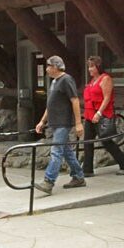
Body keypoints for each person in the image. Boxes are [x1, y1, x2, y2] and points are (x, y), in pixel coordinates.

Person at [33, 55, 85, 194]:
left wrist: (78, 123)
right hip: (55, 122)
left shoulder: (66, 80)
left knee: (56, 151)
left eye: (48, 66)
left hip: (63, 122)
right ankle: (78, 176)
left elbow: (74, 100)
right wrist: (42, 121)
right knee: (67, 151)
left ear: (56, 67)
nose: (47, 69)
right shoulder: (54, 82)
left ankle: (48, 181)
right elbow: (50, 105)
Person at [82, 56, 124, 176]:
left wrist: (99, 113)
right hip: (89, 114)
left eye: (92, 66)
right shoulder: (92, 81)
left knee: (106, 141)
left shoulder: (105, 79)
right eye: (89, 66)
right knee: (87, 142)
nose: (89, 69)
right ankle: (87, 170)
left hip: (102, 114)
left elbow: (107, 98)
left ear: (98, 66)